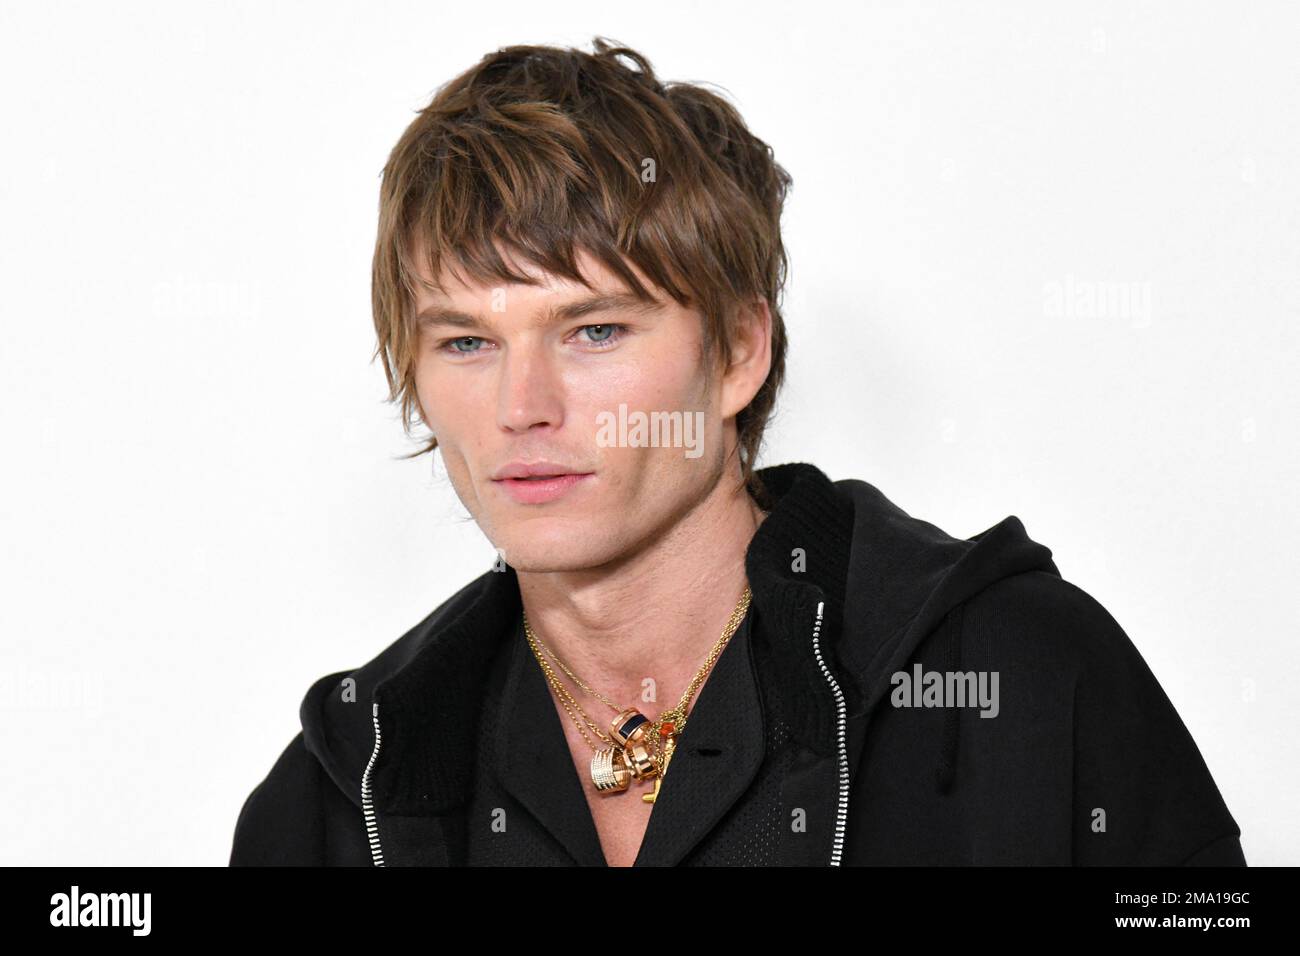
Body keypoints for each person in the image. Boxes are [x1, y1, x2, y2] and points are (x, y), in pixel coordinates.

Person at [228, 37, 1244, 867]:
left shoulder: (1017, 678)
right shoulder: (345, 788)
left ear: (738, 353)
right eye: (465, 341)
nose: (520, 405)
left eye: (594, 331)